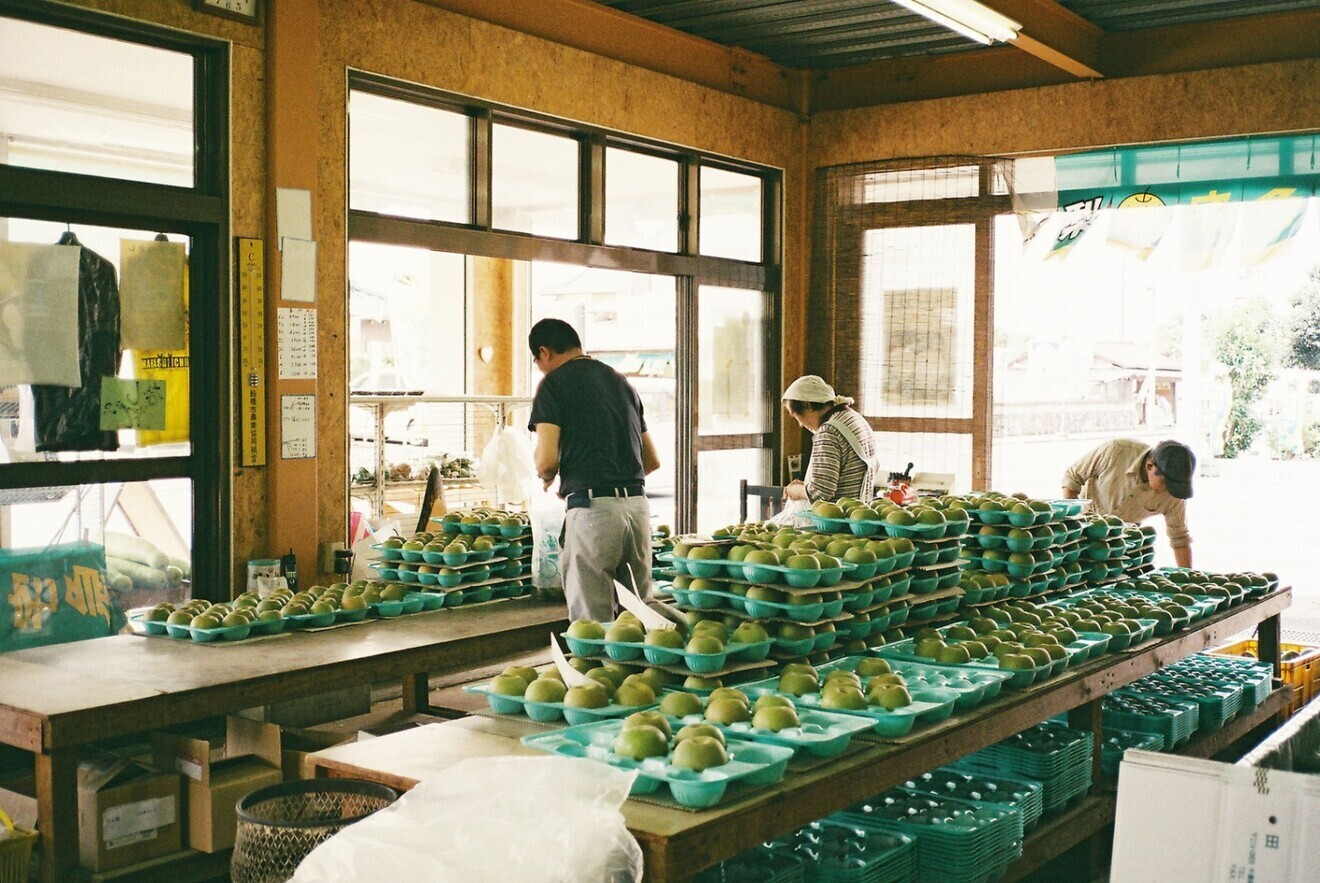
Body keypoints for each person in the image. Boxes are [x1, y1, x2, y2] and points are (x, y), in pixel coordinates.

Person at [528, 318, 661, 622]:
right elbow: (651, 460)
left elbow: (546, 461)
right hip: (637, 509)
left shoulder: (553, 384)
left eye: (537, 360)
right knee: (641, 617)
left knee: (592, 623)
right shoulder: (621, 382)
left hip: (593, 512)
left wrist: (547, 477)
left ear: (544, 352)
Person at [1062, 438, 1195, 567]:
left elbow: (1179, 538)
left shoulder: (1174, 494)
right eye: (1167, 483)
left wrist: (1187, 576)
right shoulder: (1115, 450)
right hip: (1084, 531)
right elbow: (1072, 477)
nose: (1169, 490)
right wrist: (1074, 523)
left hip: (1121, 544)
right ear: (1150, 466)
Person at [781, 375, 878, 506]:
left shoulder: (828, 431)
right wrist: (806, 485)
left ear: (807, 406)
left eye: (797, 416)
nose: (801, 424)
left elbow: (821, 492)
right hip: (858, 510)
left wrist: (796, 491)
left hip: (840, 515)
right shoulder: (853, 418)